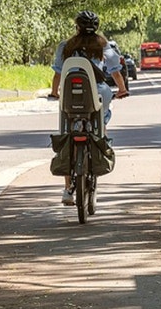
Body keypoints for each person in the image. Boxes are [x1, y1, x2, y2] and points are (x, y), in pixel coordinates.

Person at [50, 11, 126, 205]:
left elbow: (58, 73)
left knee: (67, 132)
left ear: (77, 27)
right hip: (97, 92)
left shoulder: (65, 46)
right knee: (101, 119)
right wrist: (122, 89)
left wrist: (54, 92)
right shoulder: (103, 45)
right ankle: (102, 142)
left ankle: (68, 189)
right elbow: (116, 71)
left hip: (69, 94)